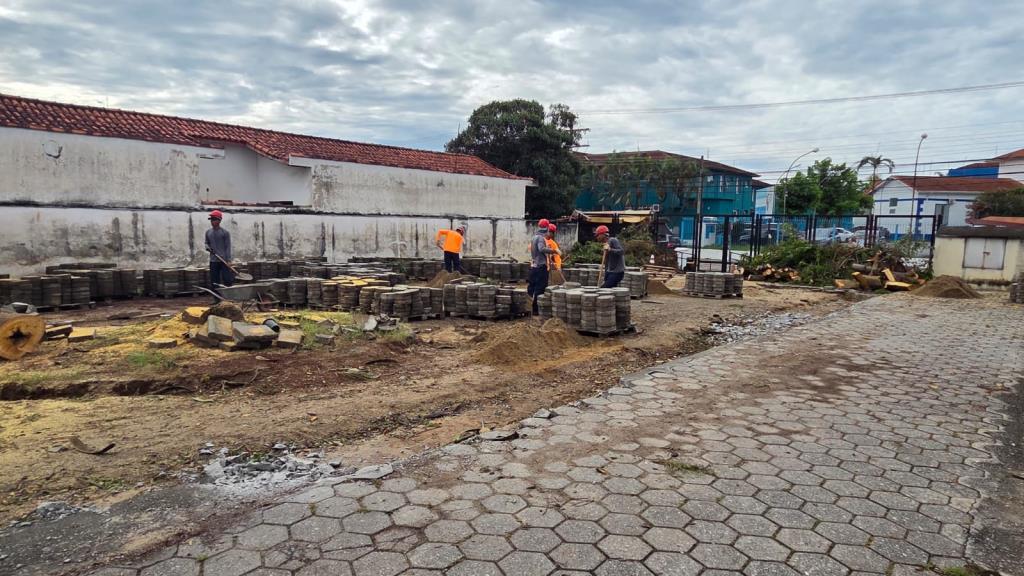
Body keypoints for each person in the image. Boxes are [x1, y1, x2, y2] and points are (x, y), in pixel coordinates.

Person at [528, 218, 558, 315]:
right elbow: (541, 249)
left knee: (531, 288)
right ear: (546, 227)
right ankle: (536, 310)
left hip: (534, 266)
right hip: (541, 267)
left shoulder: (534, 237)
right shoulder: (541, 238)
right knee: (540, 288)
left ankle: (528, 307)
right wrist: (554, 251)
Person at [205, 210, 233, 299]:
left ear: (219, 220)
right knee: (214, 281)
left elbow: (228, 247)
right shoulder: (208, 232)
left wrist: (228, 260)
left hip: (224, 260)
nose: (212, 222)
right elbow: (206, 243)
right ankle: (216, 299)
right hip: (213, 260)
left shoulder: (225, 233)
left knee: (227, 280)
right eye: (211, 220)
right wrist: (207, 247)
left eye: (214, 219)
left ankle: (229, 298)